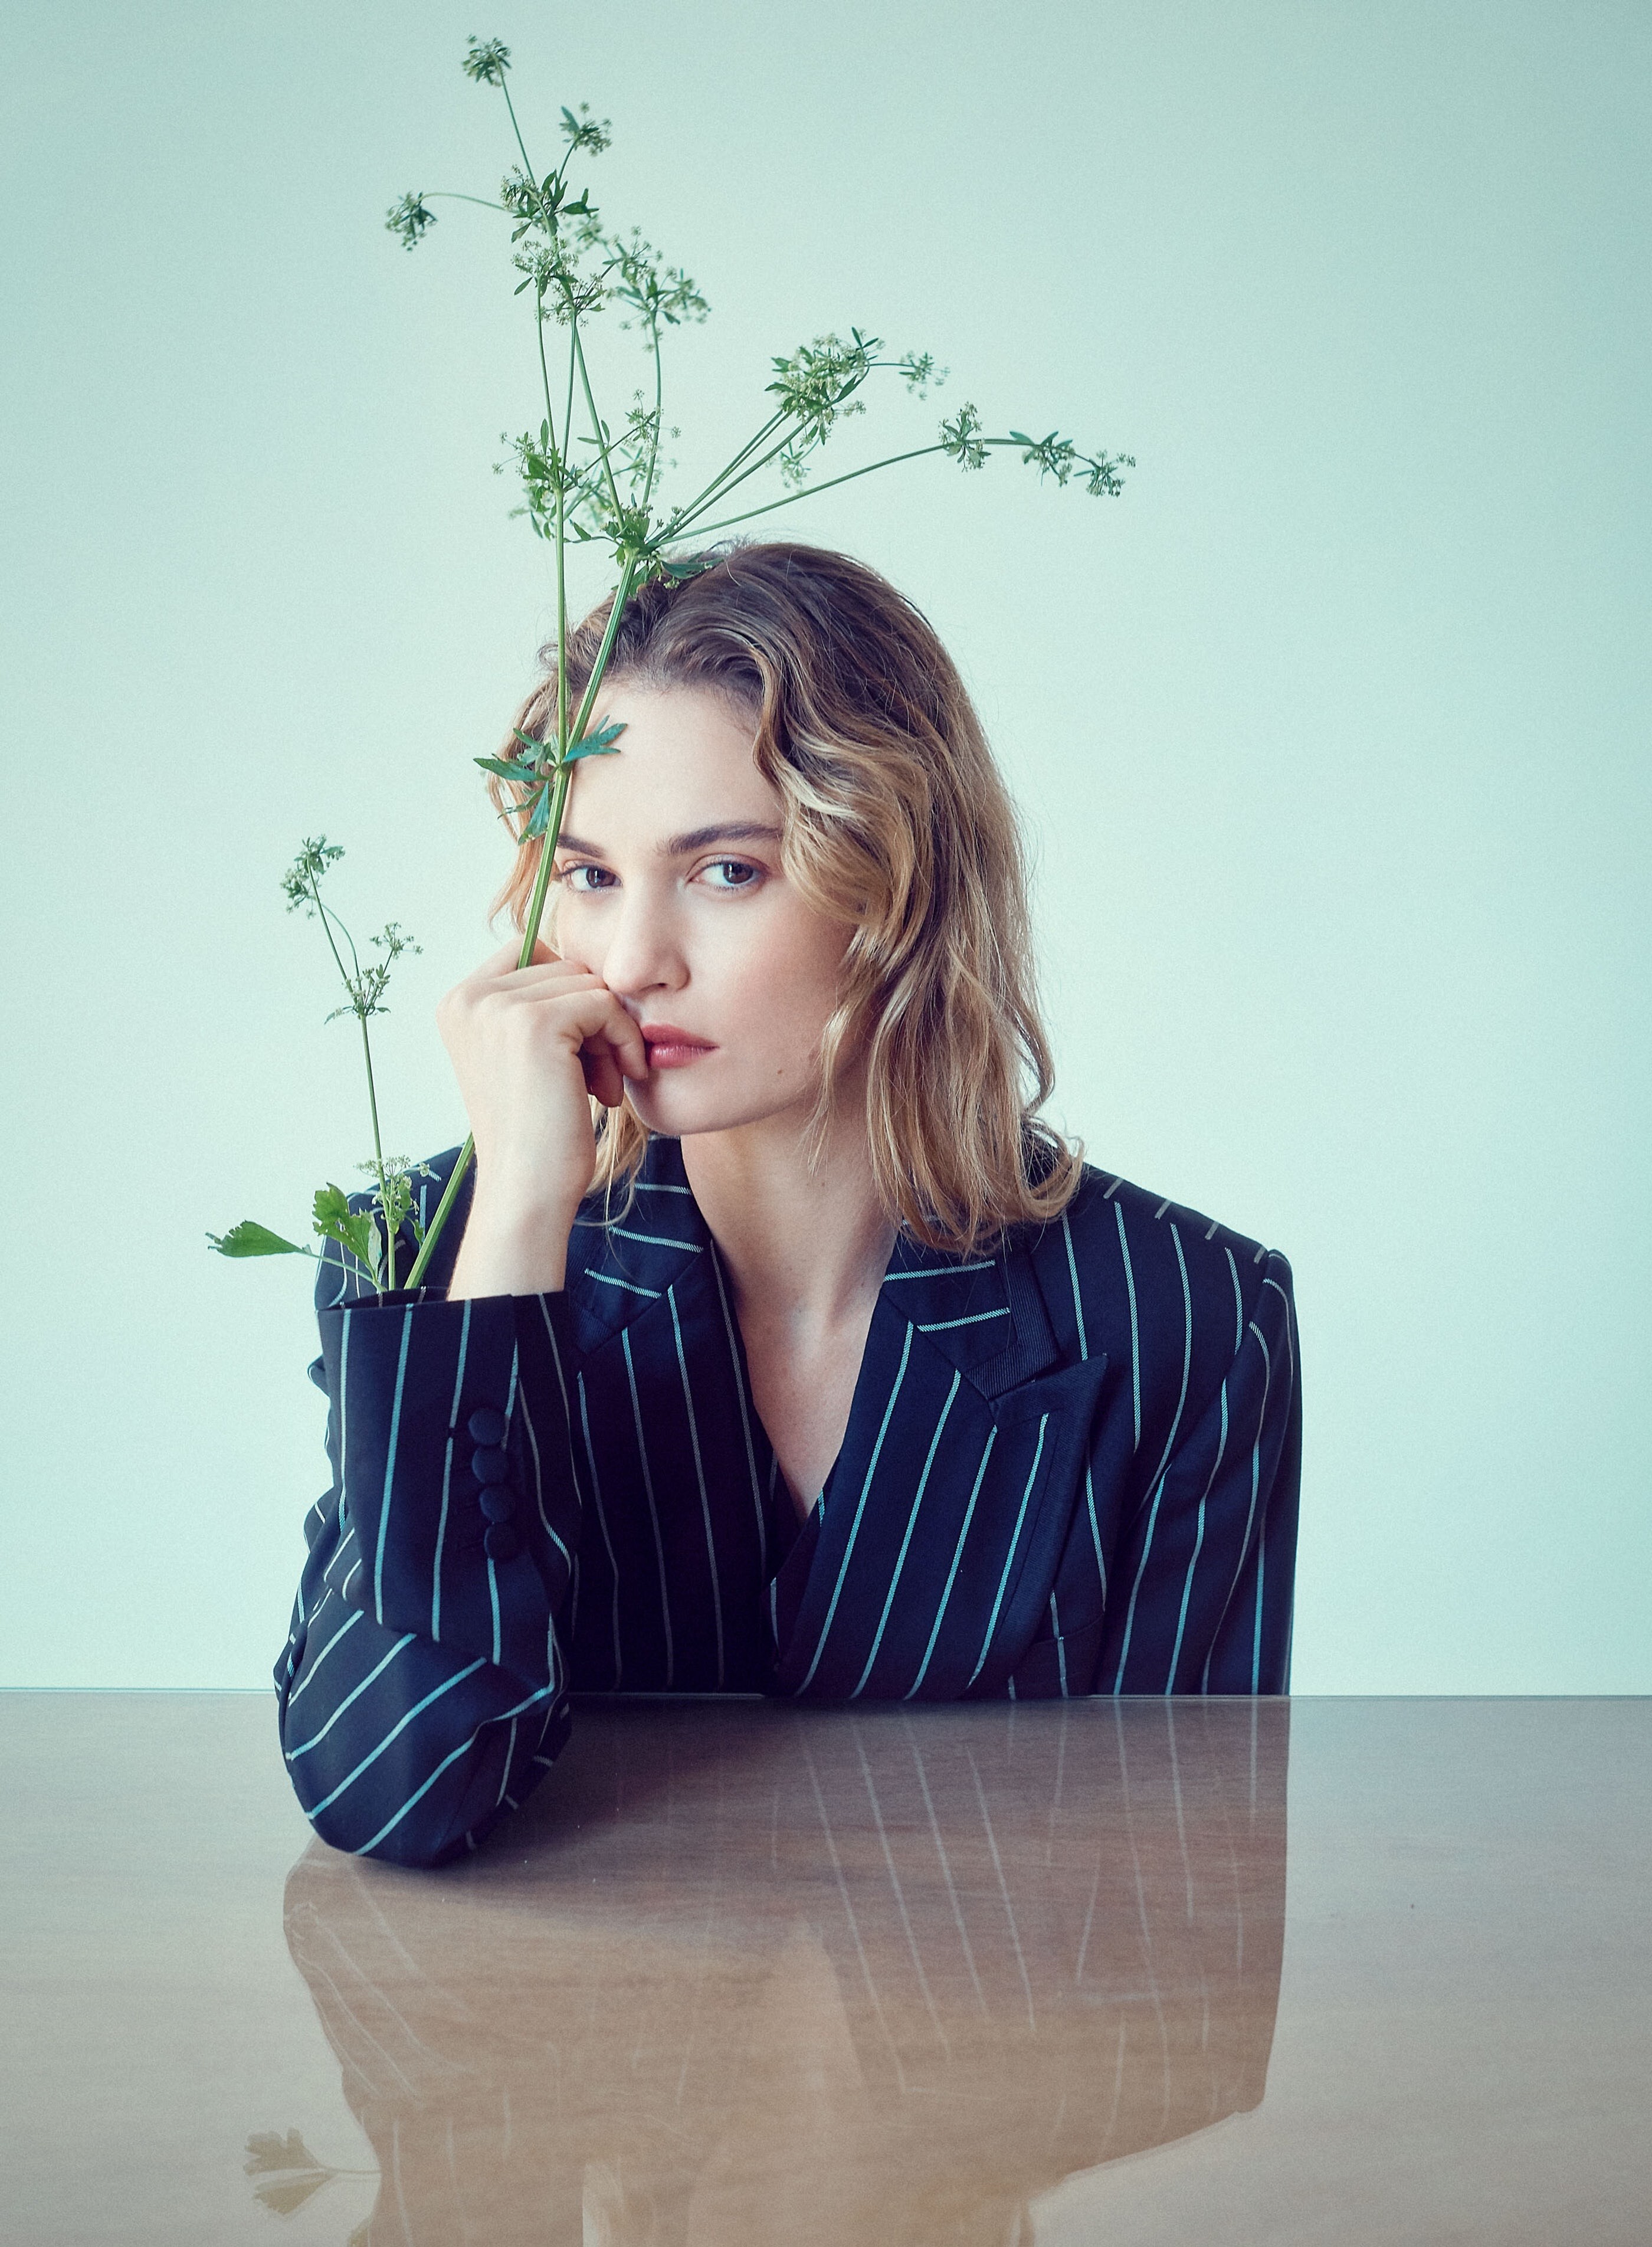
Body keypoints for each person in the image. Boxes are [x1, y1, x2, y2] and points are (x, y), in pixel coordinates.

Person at [276, 542, 1302, 1866]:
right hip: (569, 2007)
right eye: (588, 876)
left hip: (985, 2007)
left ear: (898, 886)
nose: (633, 960)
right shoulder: (424, 1254)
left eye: (726, 872)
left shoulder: (1189, 1315)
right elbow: (393, 1791)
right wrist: (518, 1208)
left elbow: (1189, 1864)